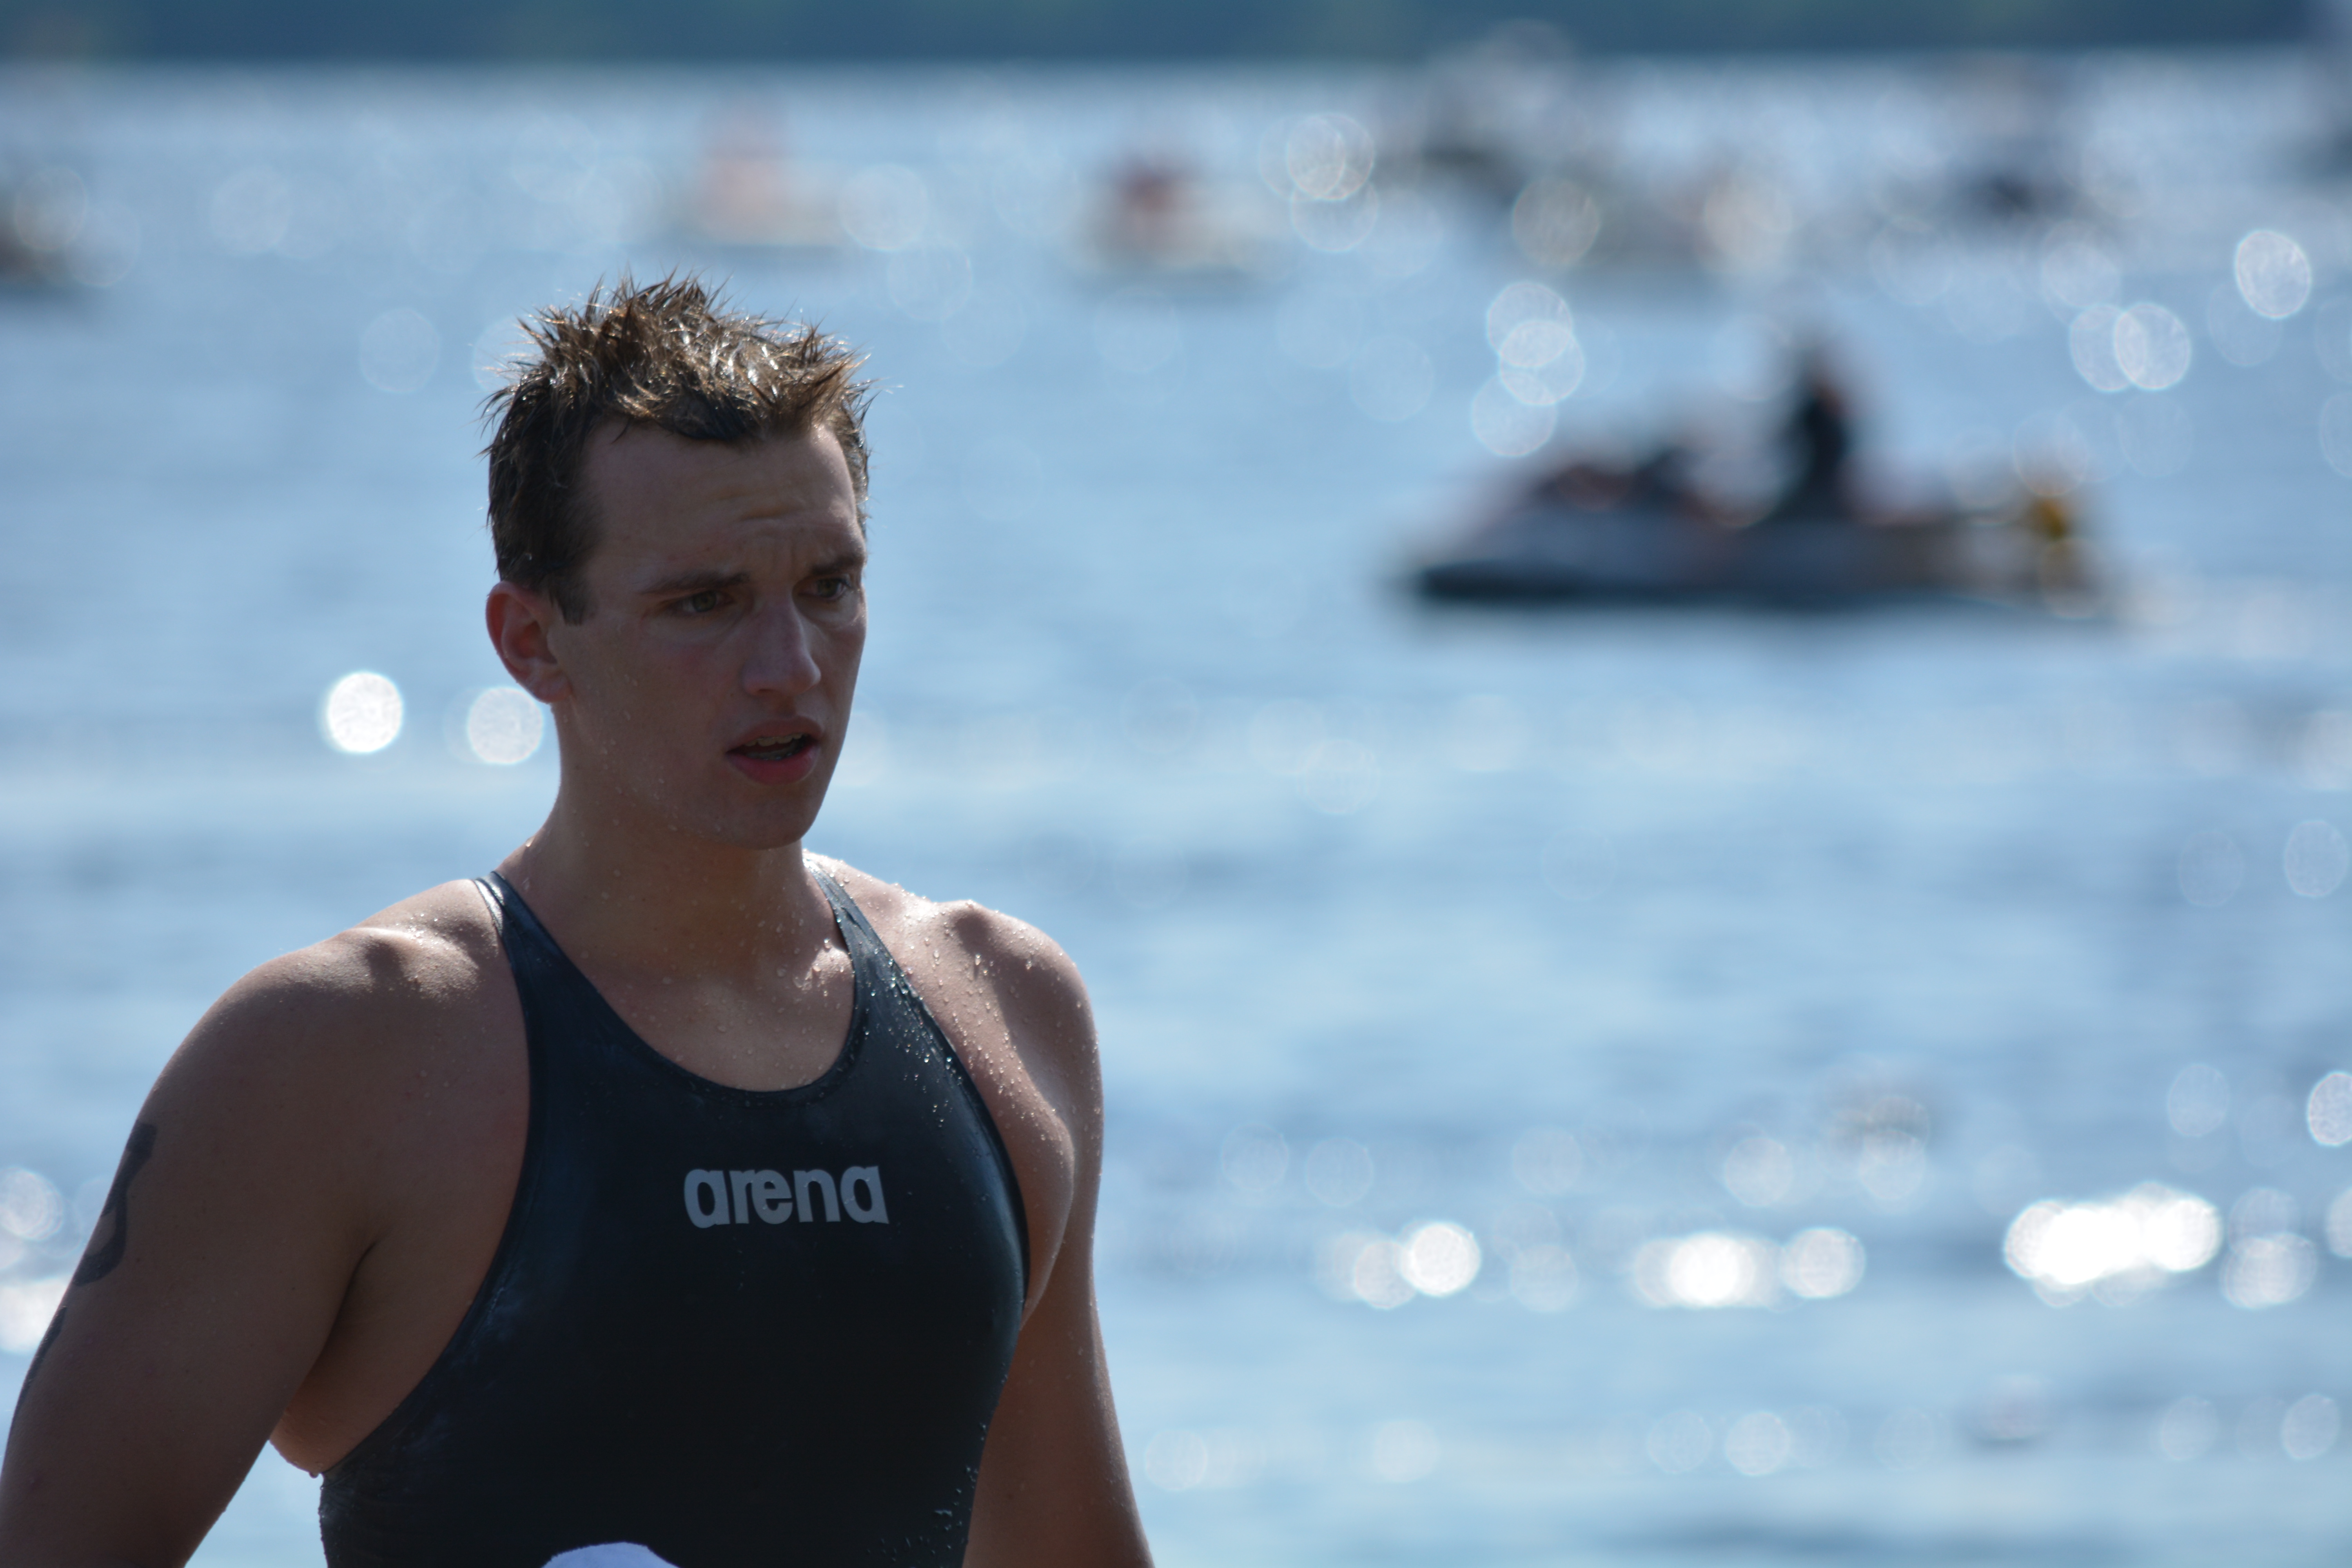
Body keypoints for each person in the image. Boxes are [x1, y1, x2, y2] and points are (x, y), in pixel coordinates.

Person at [0, 276, 1154, 1568]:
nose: (790, 666)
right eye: (704, 602)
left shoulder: (1002, 1012)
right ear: (532, 642)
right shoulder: (341, 1057)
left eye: (830, 586)